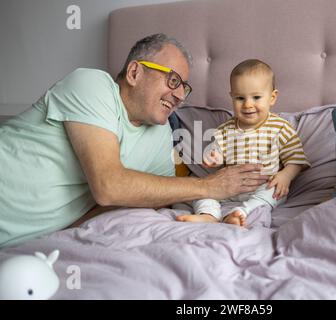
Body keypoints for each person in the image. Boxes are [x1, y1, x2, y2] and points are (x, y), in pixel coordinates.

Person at [0, 34, 268, 248]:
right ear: (134, 73)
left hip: (15, 243)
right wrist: (210, 186)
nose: (179, 96)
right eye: (173, 80)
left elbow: (146, 196)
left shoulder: (161, 137)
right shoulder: (91, 85)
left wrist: (70, 228)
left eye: (183, 88)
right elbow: (109, 186)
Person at [176, 59, 310, 227]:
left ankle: (241, 212)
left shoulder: (280, 127)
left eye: (256, 97)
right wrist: (214, 158)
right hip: (231, 188)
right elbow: (218, 154)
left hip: (263, 185)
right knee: (200, 190)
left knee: (275, 192)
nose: (247, 104)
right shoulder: (225, 130)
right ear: (232, 97)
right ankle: (209, 214)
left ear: (272, 97)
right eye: (240, 98)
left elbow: (295, 159)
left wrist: (285, 176)